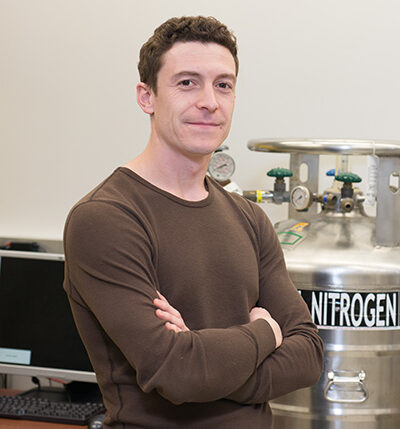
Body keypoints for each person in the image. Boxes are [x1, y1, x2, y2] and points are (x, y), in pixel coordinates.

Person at [63, 16, 323, 429]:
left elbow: (309, 354)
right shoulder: (105, 218)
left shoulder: (249, 218)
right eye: (187, 82)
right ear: (146, 97)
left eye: (223, 84)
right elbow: (176, 373)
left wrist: (203, 361)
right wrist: (265, 334)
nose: (210, 101)